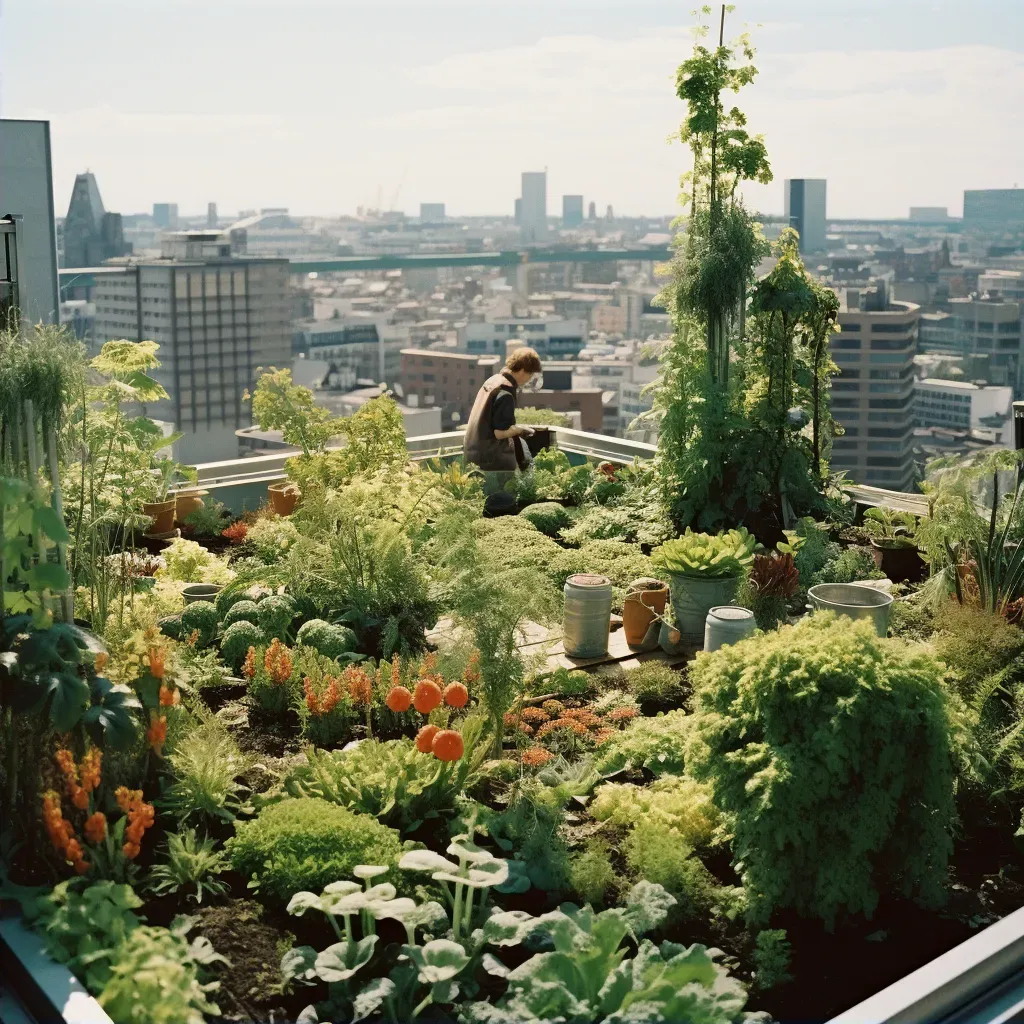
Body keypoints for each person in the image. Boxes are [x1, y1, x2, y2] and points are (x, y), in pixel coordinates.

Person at [463, 347, 542, 490]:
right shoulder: (506, 393)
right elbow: (499, 433)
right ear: (523, 370)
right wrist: (519, 429)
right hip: (491, 457)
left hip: (473, 449)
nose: (529, 379)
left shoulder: (493, 381)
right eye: (530, 374)